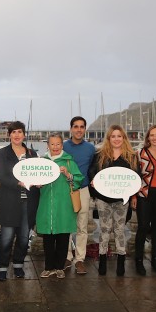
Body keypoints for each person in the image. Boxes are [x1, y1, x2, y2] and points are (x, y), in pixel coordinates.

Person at [0, 121, 39, 281]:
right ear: (9, 135)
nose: (17, 135)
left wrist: (39, 182)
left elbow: (38, 174)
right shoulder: (3, 153)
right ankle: (2, 267)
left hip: (29, 202)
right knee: (6, 237)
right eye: (13, 132)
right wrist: (17, 182)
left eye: (19, 132)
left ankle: (18, 265)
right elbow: (1, 175)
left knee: (24, 237)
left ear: (24, 134)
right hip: (9, 202)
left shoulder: (32, 154)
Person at [88, 125, 136, 276]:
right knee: (104, 229)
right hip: (103, 199)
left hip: (122, 200)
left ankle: (121, 260)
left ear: (124, 138)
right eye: (113, 136)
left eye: (119, 136)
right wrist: (94, 183)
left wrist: (133, 194)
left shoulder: (132, 156)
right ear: (109, 139)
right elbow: (92, 172)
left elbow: (137, 177)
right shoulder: (100, 154)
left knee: (119, 230)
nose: (116, 139)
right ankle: (102, 260)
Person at [37, 133, 82, 278]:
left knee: (63, 238)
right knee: (48, 239)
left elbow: (79, 180)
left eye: (58, 144)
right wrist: (38, 184)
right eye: (52, 144)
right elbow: (36, 180)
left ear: (62, 145)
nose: (55, 147)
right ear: (47, 146)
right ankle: (48, 267)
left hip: (64, 205)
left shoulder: (69, 162)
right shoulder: (42, 161)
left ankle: (60, 267)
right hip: (46, 204)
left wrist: (68, 174)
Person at [131, 125, 156, 275]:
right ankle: (139, 261)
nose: (154, 138)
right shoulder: (140, 153)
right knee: (142, 227)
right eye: (151, 135)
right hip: (144, 194)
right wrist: (134, 196)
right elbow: (134, 176)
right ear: (148, 138)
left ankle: (155, 259)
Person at [63, 116, 96, 275]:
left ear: (85, 129)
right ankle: (67, 256)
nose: (78, 130)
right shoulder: (62, 147)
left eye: (82, 127)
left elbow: (94, 168)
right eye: (75, 126)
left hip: (83, 190)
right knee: (67, 225)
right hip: (65, 190)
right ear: (71, 129)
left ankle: (80, 259)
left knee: (82, 226)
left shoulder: (90, 148)